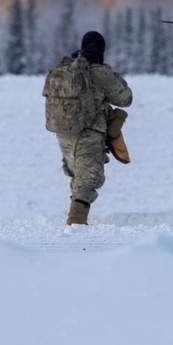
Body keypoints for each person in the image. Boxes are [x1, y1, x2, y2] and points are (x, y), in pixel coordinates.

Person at [45, 31, 133, 225]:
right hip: (89, 132)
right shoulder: (99, 72)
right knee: (88, 180)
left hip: (63, 131)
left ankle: (75, 221)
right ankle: (76, 226)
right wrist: (111, 73)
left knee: (79, 175)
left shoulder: (66, 69)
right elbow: (126, 98)